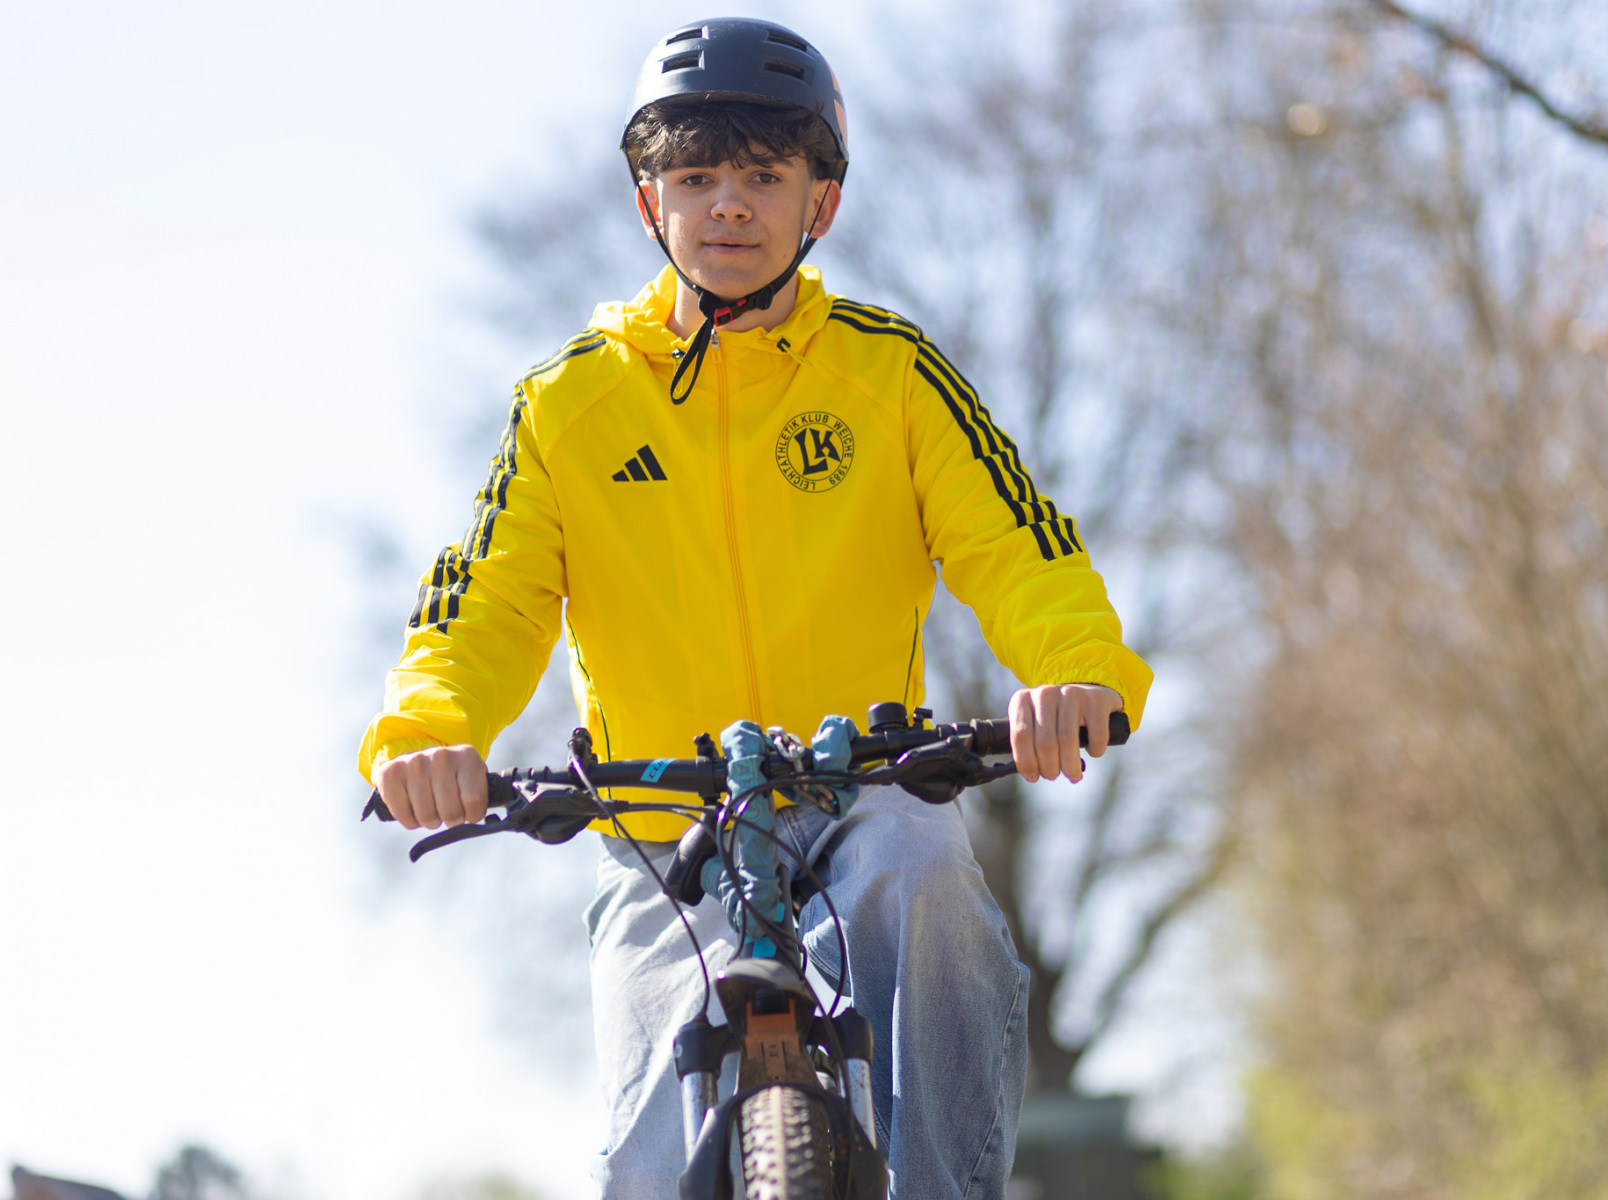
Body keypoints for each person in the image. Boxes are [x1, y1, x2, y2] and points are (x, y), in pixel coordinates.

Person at [358, 18, 1153, 1200]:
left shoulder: (892, 376)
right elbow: (483, 603)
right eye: (695, 178)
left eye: (764, 176)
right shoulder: (567, 407)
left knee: (930, 882)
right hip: (660, 826)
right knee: (645, 1143)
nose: (728, 204)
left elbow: (1018, 546)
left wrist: (1075, 668)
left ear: (820, 204)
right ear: (651, 205)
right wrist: (429, 732)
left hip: (870, 794)